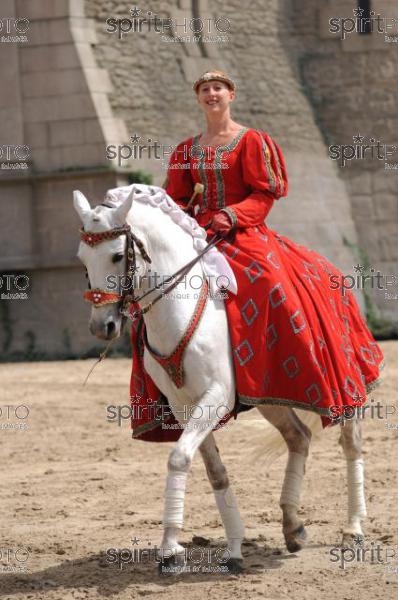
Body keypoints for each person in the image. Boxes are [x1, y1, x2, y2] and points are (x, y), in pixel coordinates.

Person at [130, 69, 384, 441]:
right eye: (204, 89)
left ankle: (288, 372)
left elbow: (264, 195)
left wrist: (231, 214)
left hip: (244, 231)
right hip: (197, 233)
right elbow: (178, 199)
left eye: (218, 88)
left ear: (230, 95)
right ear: (198, 98)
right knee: (151, 299)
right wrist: (175, 220)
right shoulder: (186, 150)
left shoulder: (251, 141)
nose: (211, 94)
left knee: (271, 284)